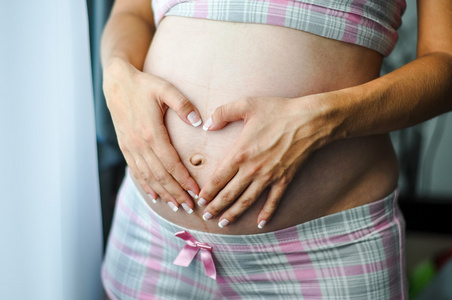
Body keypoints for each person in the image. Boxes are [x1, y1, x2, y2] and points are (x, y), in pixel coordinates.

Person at [100, 0, 452, 298]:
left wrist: (319, 119)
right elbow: (133, 13)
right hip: (153, 233)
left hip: (325, 250)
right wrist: (117, 76)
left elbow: (446, 64)